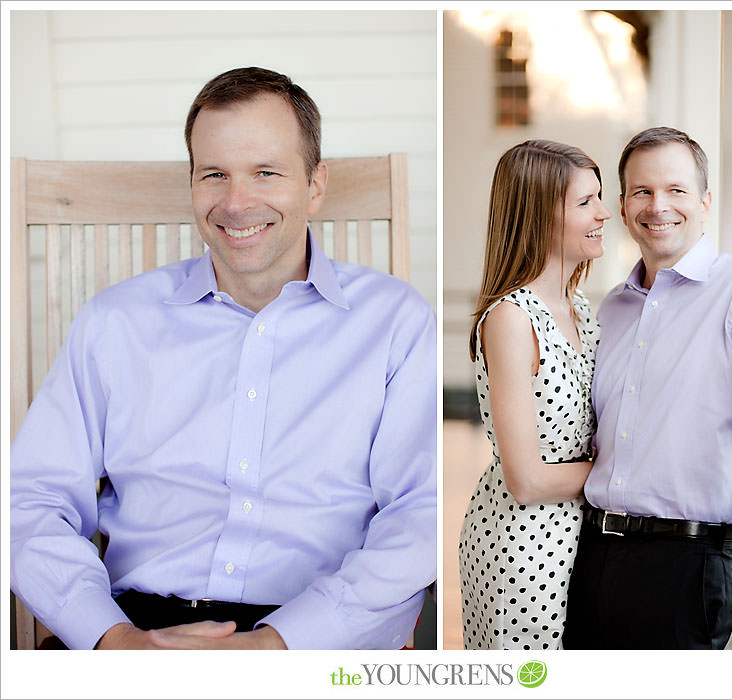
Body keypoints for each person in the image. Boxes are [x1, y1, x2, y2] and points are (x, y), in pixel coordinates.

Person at [10, 66, 436, 650]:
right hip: (133, 634)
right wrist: (108, 638)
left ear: (315, 184)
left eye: (266, 172)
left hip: (315, 638)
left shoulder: (395, 322)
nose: (236, 203)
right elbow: (31, 499)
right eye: (214, 174)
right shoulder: (115, 322)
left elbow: (422, 512)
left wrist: (277, 646)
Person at [562, 126, 732, 650]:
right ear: (623, 207)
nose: (658, 205)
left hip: (689, 566)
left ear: (705, 202)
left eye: (676, 190)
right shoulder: (610, 310)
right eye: (642, 191)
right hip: (594, 554)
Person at [459, 139, 611, 650]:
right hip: (526, 550)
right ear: (541, 214)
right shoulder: (510, 319)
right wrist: (628, 472)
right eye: (585, 202)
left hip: (581, 535)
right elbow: (525, 480)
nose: (603, 213)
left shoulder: (582, 308)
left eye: (599, 198)